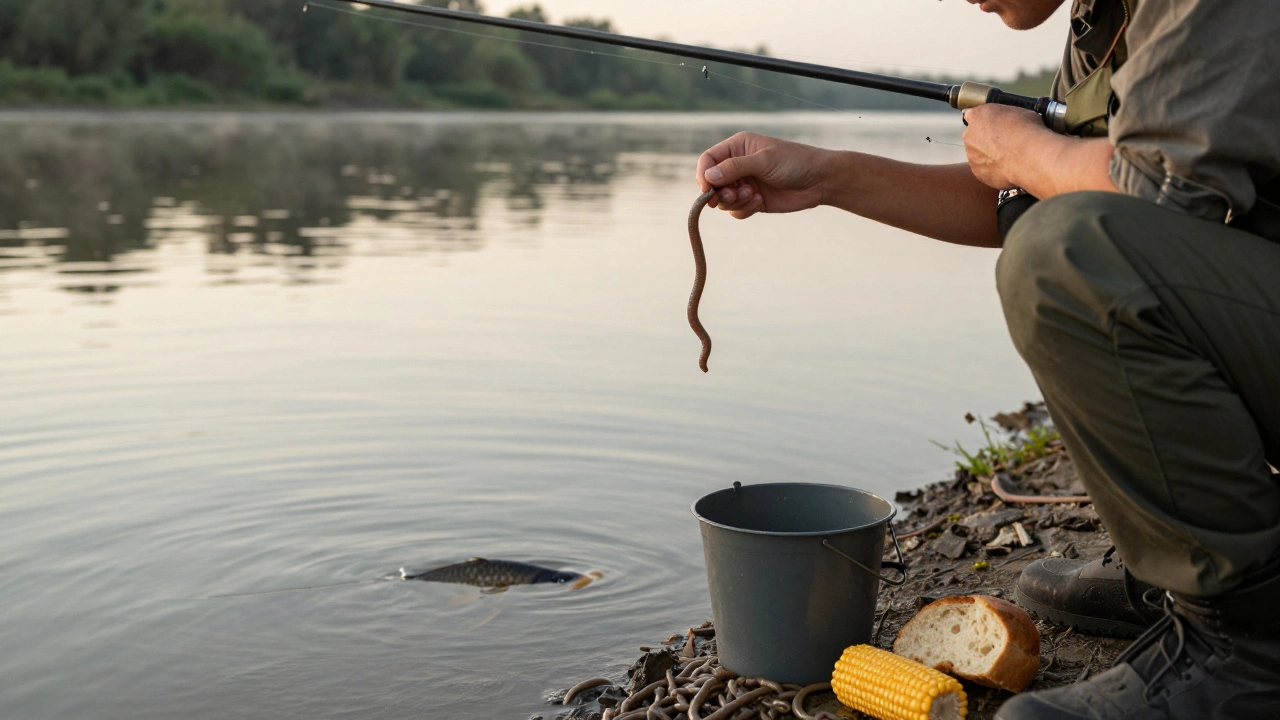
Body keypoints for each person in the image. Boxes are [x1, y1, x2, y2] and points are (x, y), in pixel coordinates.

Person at [695, 1, 1280, 717]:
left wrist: (1028, 151)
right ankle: (1186, 564)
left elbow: (1148, 201)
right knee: (1062, 245)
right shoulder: (1103, 17)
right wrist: (825, 177)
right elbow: (1043, 201)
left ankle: (1248, 639)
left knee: (1066, 261)